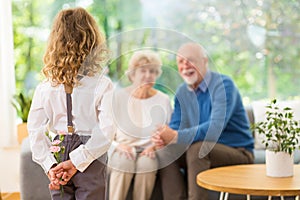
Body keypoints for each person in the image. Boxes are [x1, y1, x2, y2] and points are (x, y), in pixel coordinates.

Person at [27, 7, 114, 200]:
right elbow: (107, 131)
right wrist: (77, 161)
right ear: (92, 41)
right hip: (91, 152)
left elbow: (34, 131)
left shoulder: (45, 87)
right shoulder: (102, 84)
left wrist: (50, 165)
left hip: (58, 151)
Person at [152, 42, 254, 200]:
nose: (185, 65)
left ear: (205, 61)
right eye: (180, 61)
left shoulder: (223, 85)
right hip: (200, 151)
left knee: (198, 149)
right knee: (166, 152)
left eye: (190, 60)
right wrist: (163, 139)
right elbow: (175, 127)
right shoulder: (181, 93)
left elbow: (215, 127)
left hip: (237, 151)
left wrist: (175, 136)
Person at [106, 50, 172, 200]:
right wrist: (117, 146)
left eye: (153, 71)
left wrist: (155, 147)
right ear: (133, 74)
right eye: (143, 70)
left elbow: (167, 132)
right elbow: (103, 131)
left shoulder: (163, 99)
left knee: (147, 165)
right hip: (121, 148)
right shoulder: (116, 97)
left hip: (149, 150)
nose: (148, 75)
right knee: (123, 162)